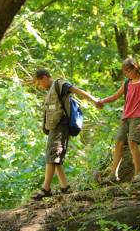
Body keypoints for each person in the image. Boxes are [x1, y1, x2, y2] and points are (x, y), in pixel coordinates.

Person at [32, 69, 100, 200]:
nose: (40, 86)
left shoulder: (59, 84)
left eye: (39, 83)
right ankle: (65, 187)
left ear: (45, 77)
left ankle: (45, 189)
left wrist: (95, 100)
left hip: (61, 125)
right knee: (53, 156)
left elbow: (77, 90)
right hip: (54, 127)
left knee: (53, 154)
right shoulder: (51, 89)